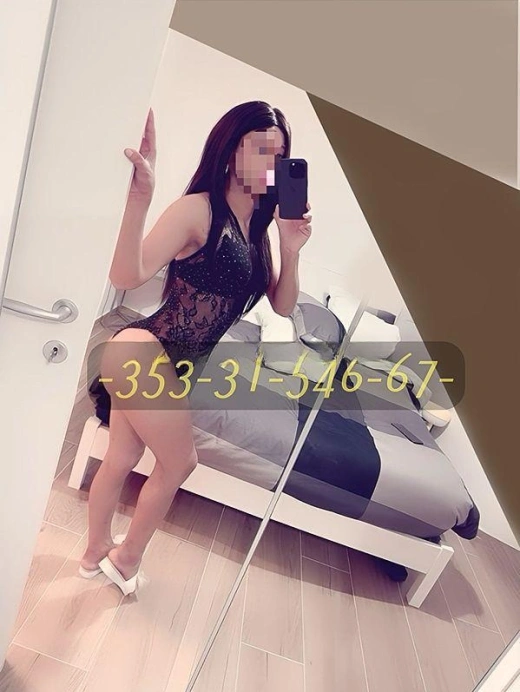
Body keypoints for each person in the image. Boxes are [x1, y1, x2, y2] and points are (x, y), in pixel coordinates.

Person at [80, 101, 312, 595]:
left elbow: (284, 306)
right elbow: (126, 274)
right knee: (180, 463)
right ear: (231, 150)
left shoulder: (257, 230)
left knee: (121, 455)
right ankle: (125, 560)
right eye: (260, 149)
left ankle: (93, 552)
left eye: (279, 155)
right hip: (143, 349)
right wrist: (140, 199)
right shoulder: (198, 209)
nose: (271, 163)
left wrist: (290, 248)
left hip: (175, 365)